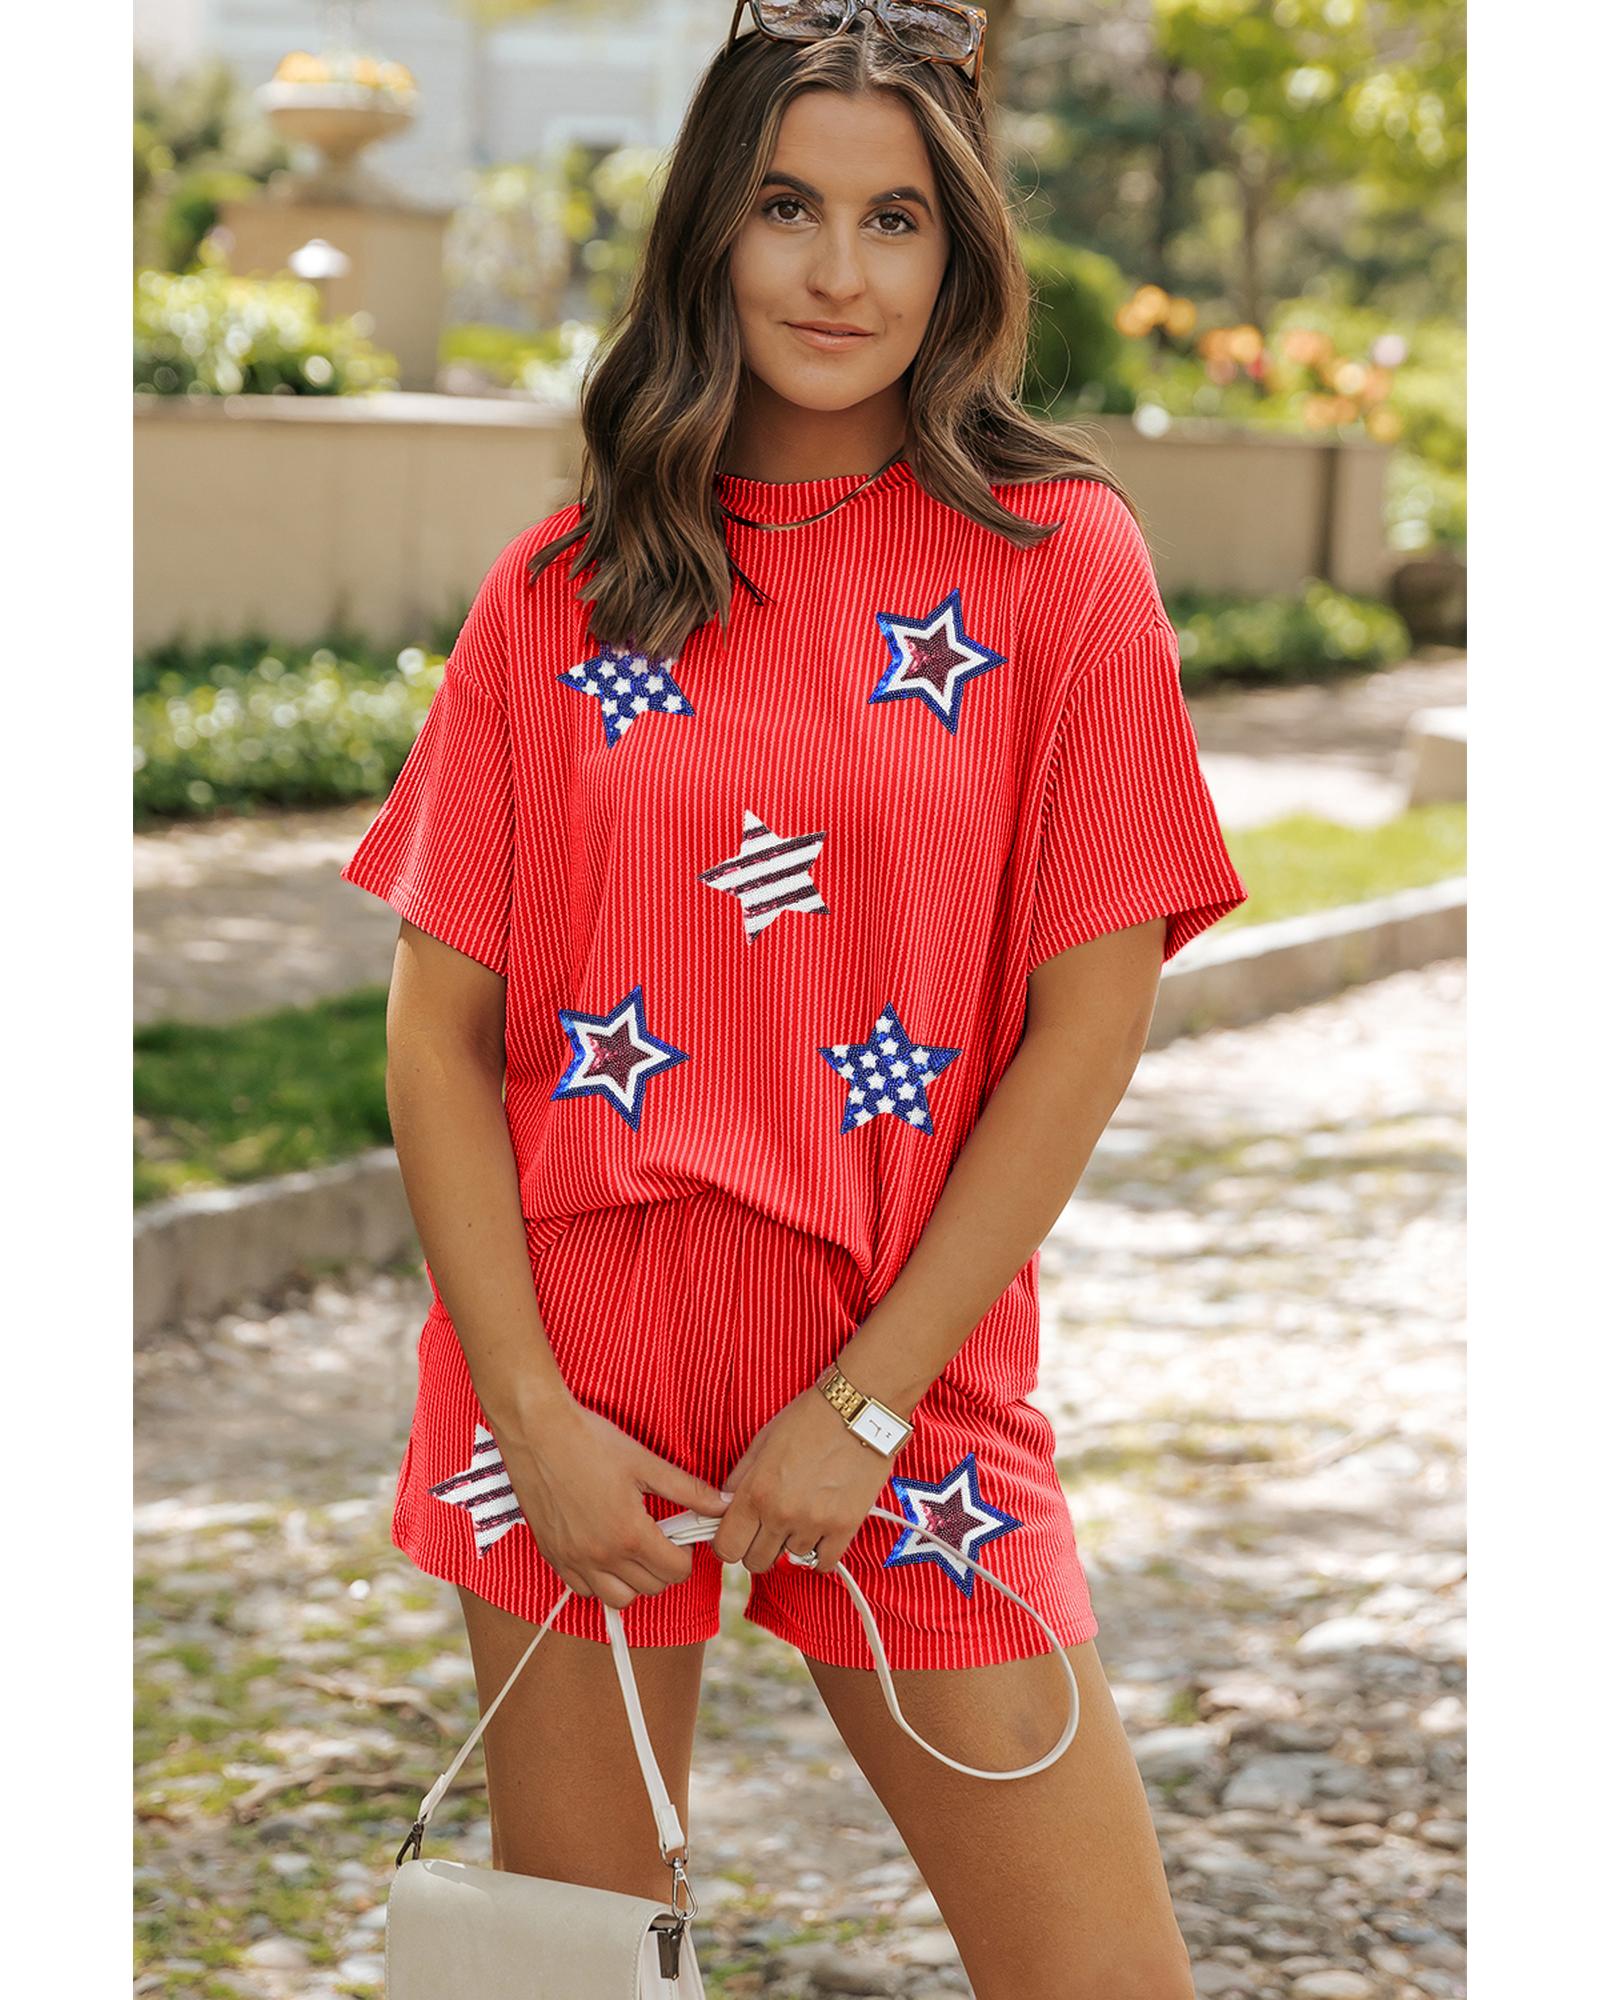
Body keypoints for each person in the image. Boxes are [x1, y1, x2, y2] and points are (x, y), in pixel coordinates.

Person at [340, 7, 1248, 1995]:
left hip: (905, 1384)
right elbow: (437, 1032)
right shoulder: (561, 586)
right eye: (785, 208)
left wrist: (862, 1405)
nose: (839, 272)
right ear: (708, 234)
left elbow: (1085, 1028)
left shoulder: (1055, 565)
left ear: (956, 253)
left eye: (893, 218)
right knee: (578, 1970)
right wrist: (530, 1416)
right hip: (574, 1375)